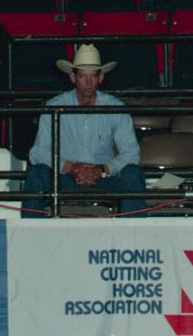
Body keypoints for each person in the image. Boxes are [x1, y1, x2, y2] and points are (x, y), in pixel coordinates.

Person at [21, 43, 145, 216]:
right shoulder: (54, 106)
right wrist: (69, 167)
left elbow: (132, 153)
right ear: (73, 77)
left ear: (100, 78)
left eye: (92, 76)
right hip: (64, 176)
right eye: (83, 76)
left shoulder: (116, 107)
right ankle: (29, 234)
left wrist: (102, 170)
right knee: (37, 173)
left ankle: (134, 236)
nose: (88, 82)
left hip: (104, 178)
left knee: (133, 173)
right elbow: (38, 152)